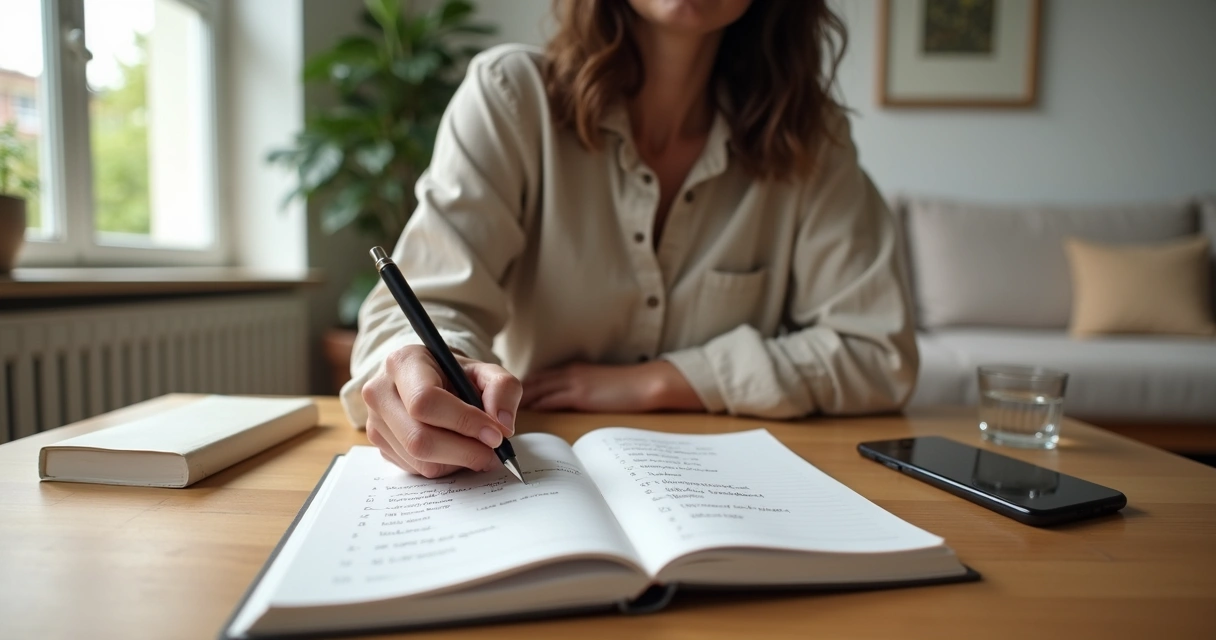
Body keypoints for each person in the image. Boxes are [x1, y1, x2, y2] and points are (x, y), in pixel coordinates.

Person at [340, 0, 918, 478]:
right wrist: (426, 372)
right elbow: (421, 308)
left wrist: (664, 380)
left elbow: (878, 353)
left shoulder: (810, 141)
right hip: (538, 471)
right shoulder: (511, 98)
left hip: (732, 490)